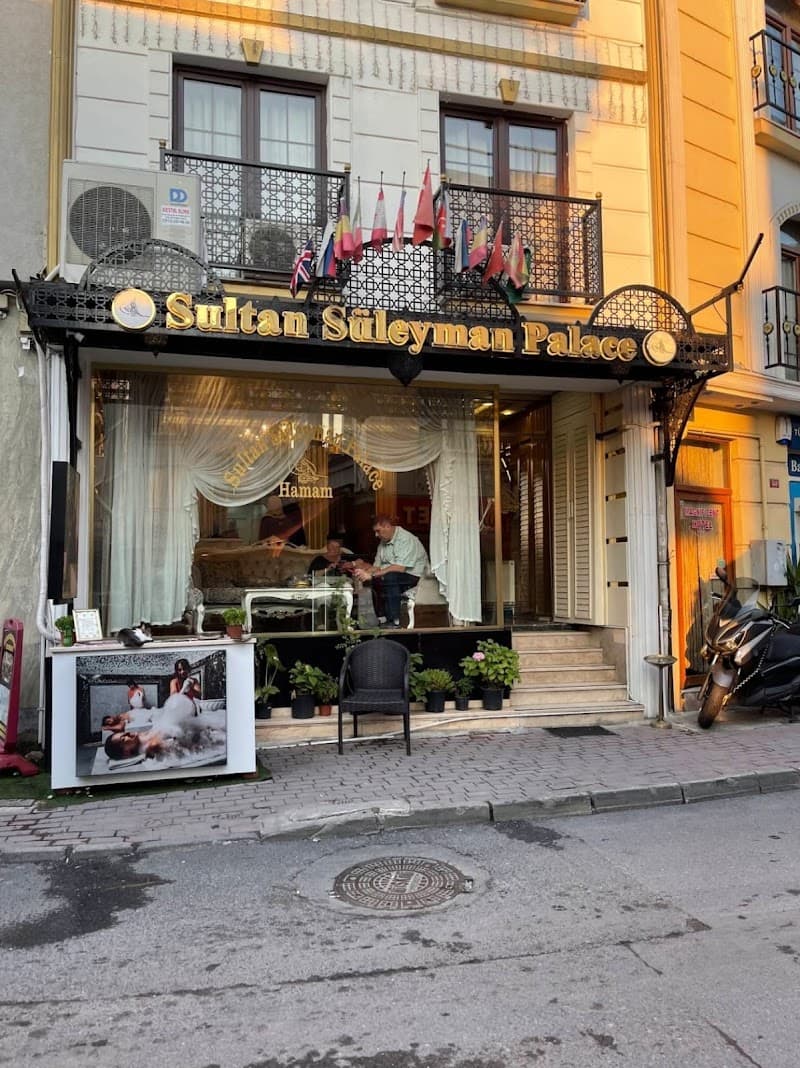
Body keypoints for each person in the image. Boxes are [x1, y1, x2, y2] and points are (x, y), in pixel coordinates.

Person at [353, 515, 430, 628]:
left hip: (415, 577)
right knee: (371, 579)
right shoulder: (383, 542)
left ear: (387, 526)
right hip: (395, 574)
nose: (376, 535)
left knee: (389, 576)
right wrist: (364, 572)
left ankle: (394, 619)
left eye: (378, 531)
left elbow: (399, 568)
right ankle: (376, 617)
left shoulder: (405, 539)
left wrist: (372, 574)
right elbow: (377, 566)